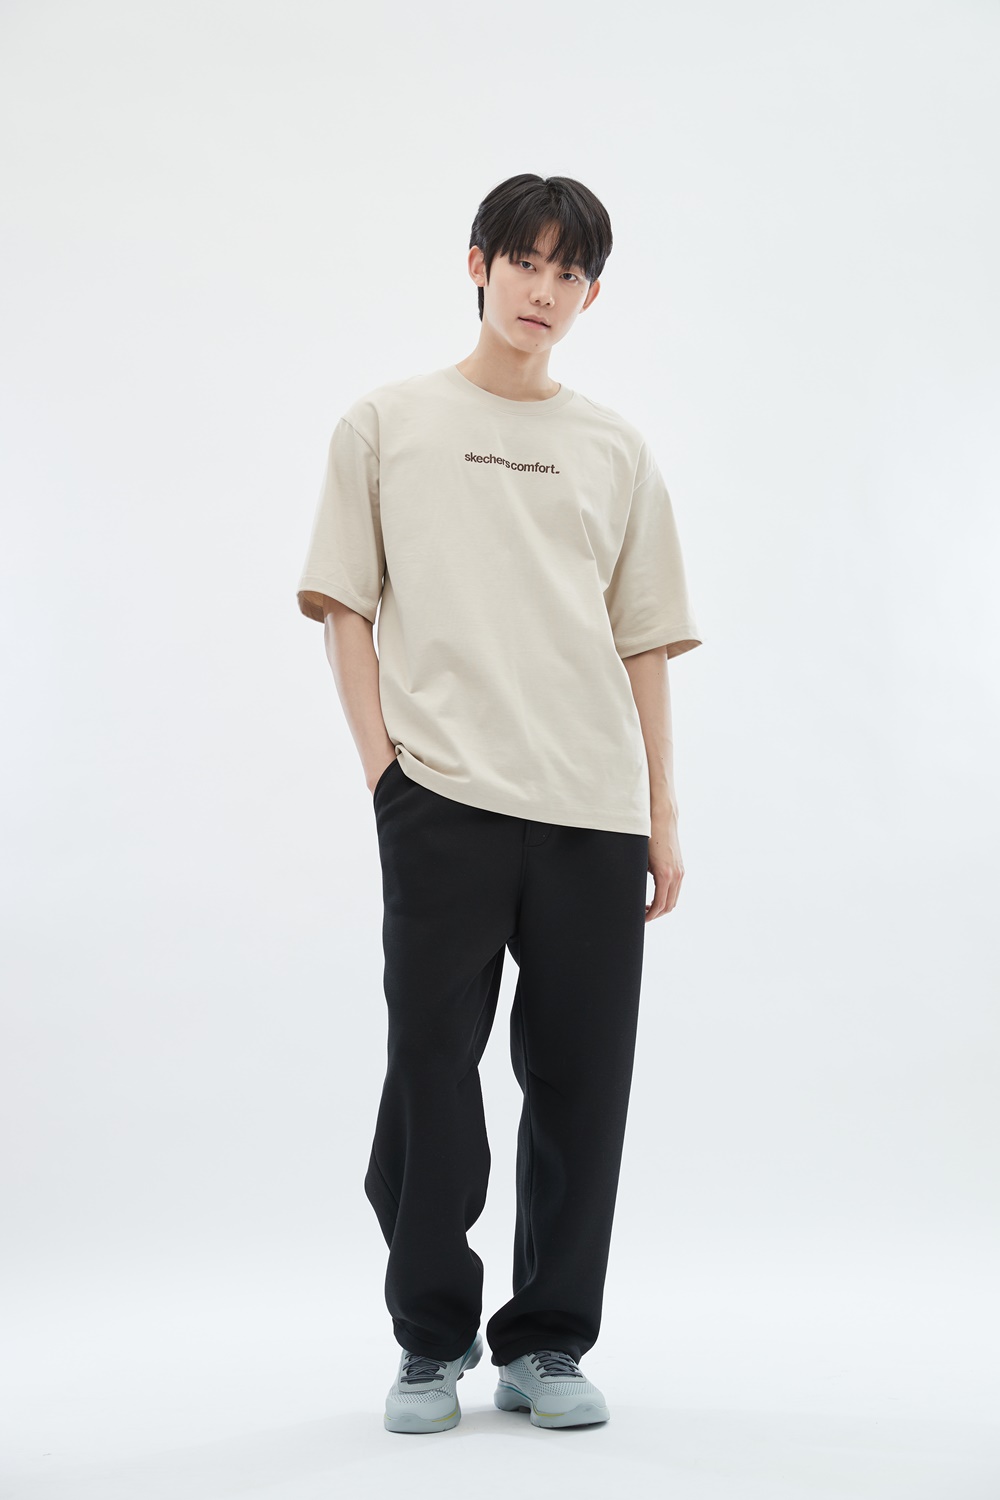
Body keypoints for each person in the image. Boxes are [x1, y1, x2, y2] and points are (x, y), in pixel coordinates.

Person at [295, 172, 702, 1434]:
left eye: (569, 272)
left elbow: (643, 640)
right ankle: (430, 1342)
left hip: (591, 807)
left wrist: (662, 815)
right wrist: (385, 775)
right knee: (430, 1074)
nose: (543, 289)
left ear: (591, 295)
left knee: (582, 1084)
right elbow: (345, 608)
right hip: (443, 799)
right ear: (477, 264)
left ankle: (546, 1343)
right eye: (524, 261)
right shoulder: (387, 424)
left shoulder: (616, 450)